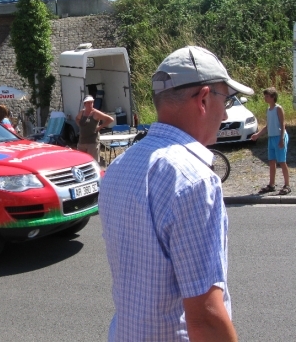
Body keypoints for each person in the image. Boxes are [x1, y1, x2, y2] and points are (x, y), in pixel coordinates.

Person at [100, 46, 252, 341]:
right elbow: (206, 319)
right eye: (228, 100)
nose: (225, 113)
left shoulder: (119, 167)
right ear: (204, 99)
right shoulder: (194, 180)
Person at [251, 87, 290, 195]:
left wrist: (281, 139)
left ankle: (287, 185)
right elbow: (268, 126)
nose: (265, 98)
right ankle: (271, 184)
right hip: (271, 138)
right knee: (271, 161)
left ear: (273, 97)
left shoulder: (278, 108)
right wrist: (257, 135)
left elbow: (283, 124)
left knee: (282, 161)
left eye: (267, 96)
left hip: (279, 137)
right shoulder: (268, 110)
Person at [75, 95, 114, 163]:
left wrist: (100, 127)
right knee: (81, 162)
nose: (90, 104)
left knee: (93, 162)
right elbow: (77, 119)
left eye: (91, 102)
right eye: (88, 103)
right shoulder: (82, 112)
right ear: (85, 104)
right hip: (82, 142)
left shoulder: (96, 113)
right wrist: (80, 125)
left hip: (92, 142)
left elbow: (110, 119)